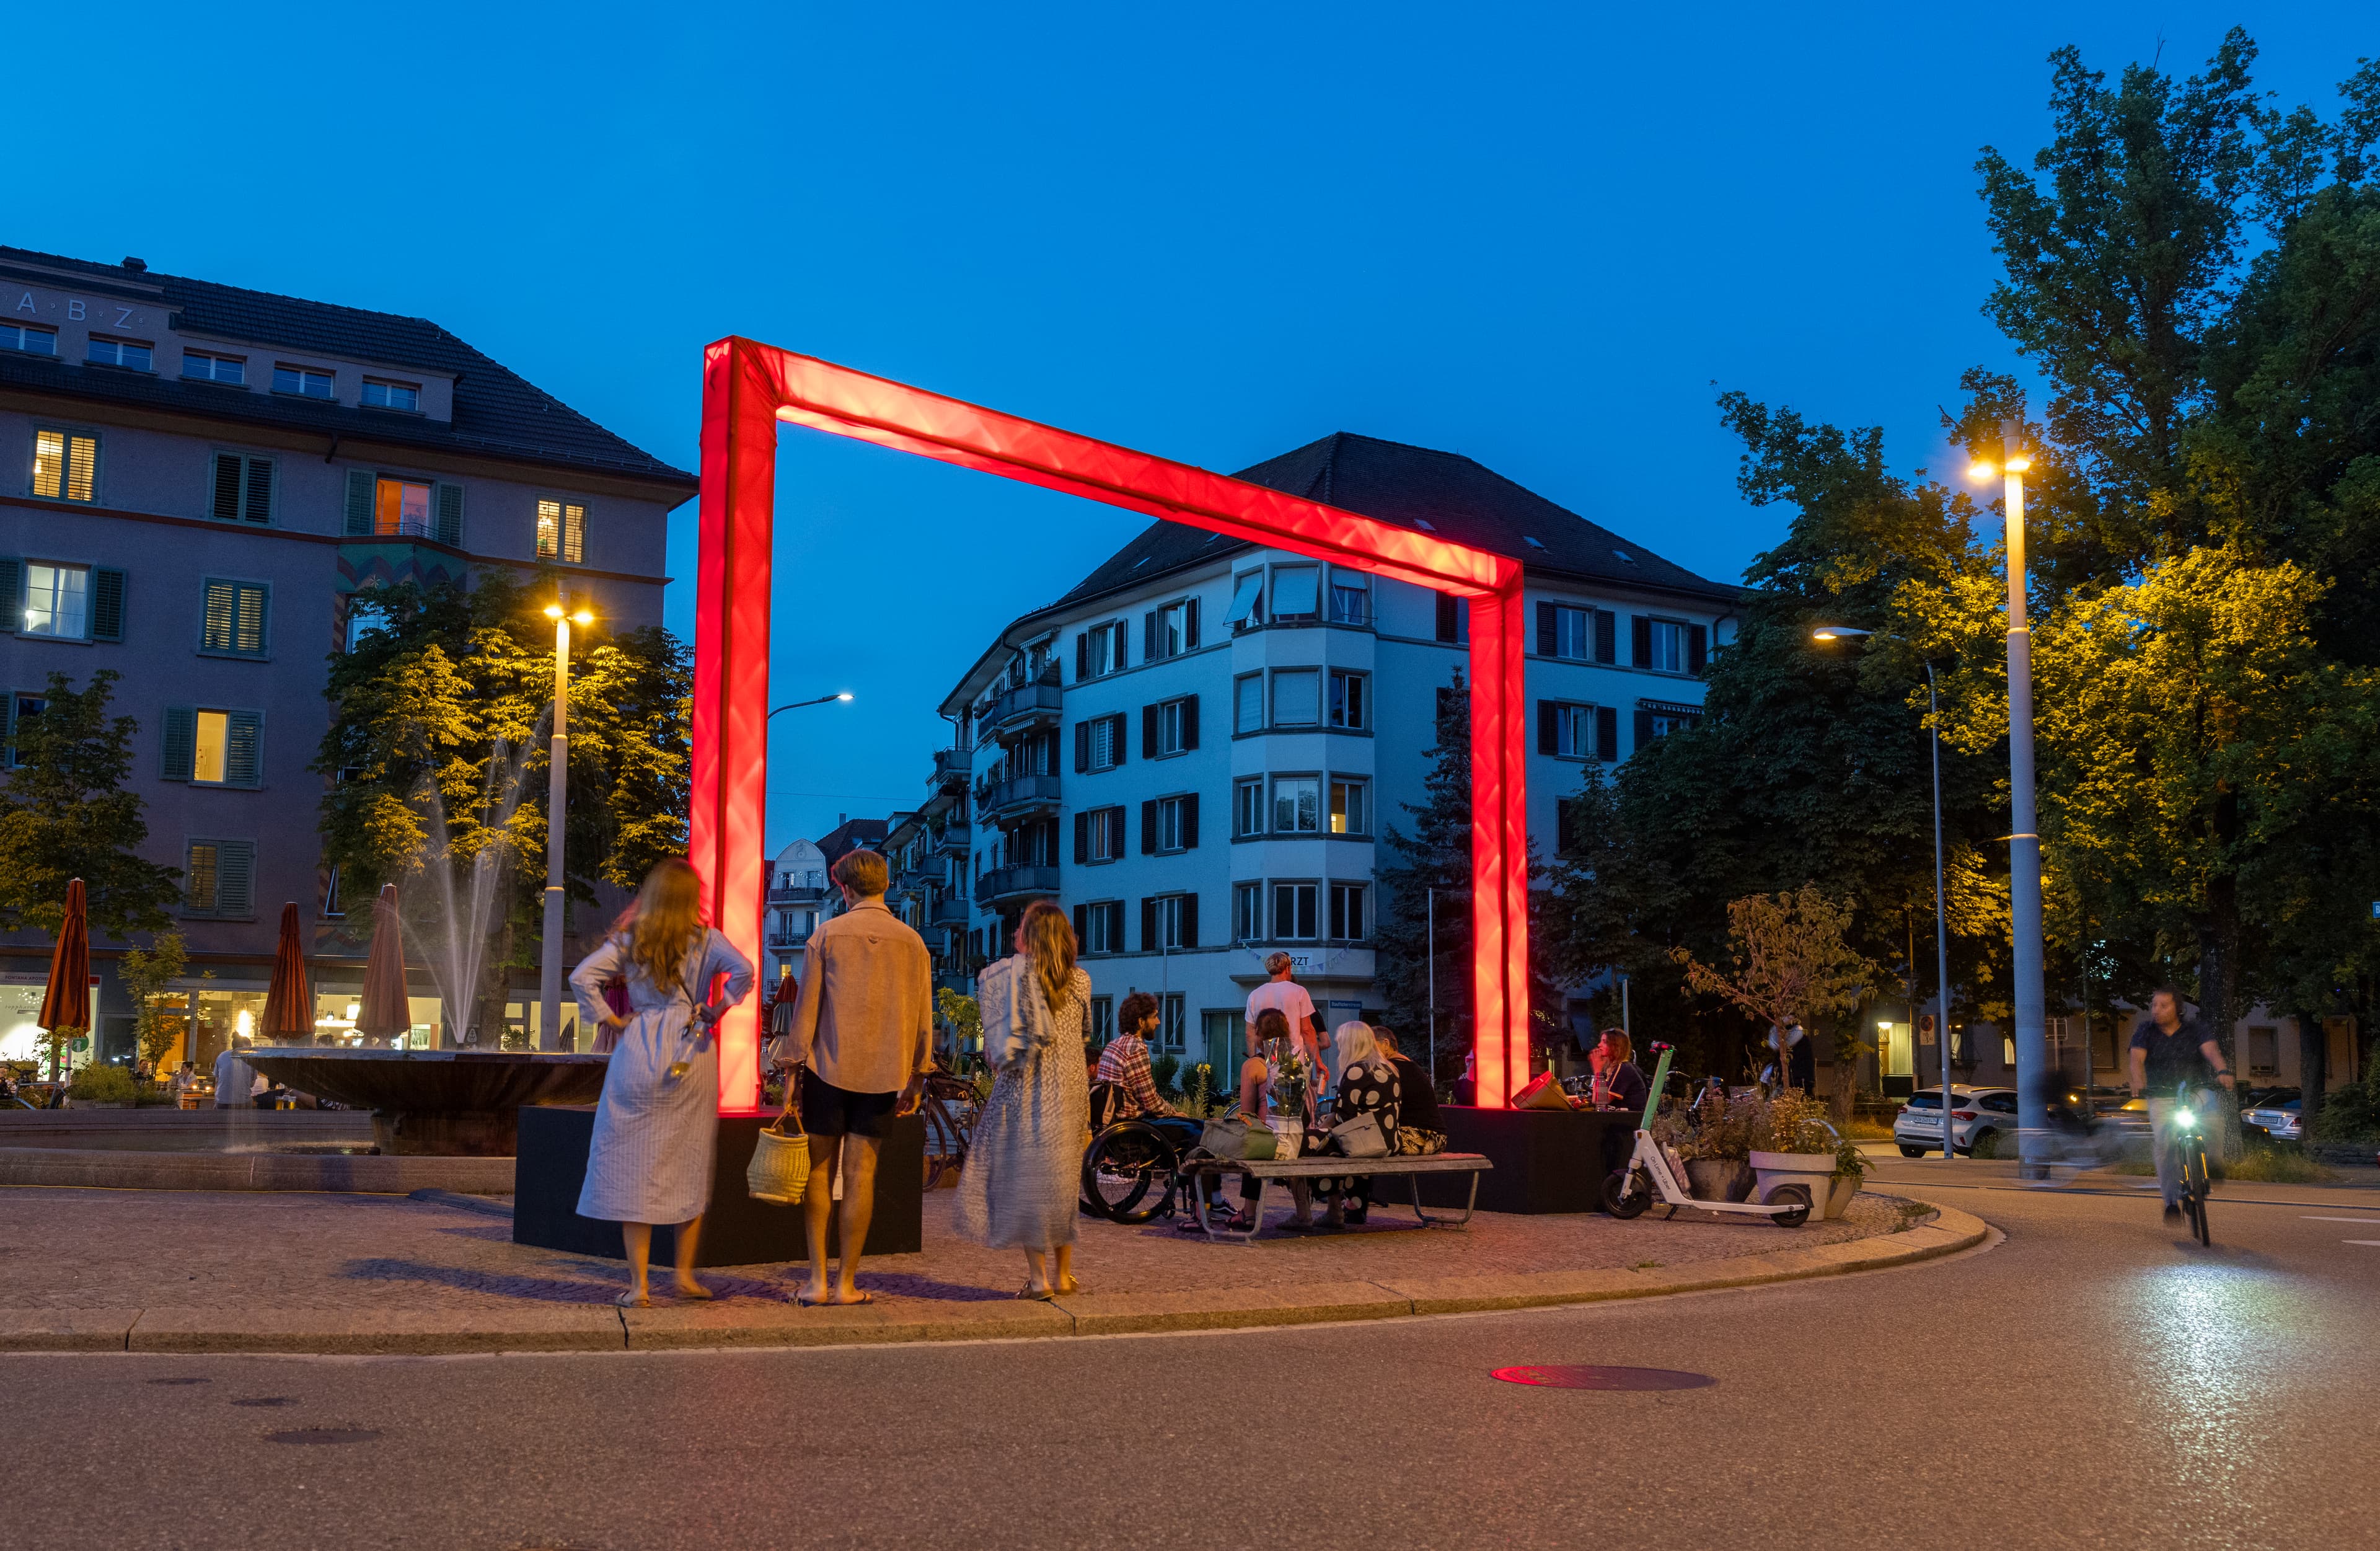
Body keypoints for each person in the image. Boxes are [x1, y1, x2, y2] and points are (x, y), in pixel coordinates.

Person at [571, 857, 756, 1308]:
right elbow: (746, 972)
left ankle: (639, 1285)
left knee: (636, 1166)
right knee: (688, 1160)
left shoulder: (632, 939)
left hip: (638, 1045)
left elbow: (582, 977)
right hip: (690, 1048)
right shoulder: (707, 940)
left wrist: (614, 1019)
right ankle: (685, 1276)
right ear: (693, 898)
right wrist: (719, 1008)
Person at [781, 848, 935, 1307]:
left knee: (819, 1174)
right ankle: (847, 1282)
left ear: (845, 889)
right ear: (885, 885)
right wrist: (919, 1074)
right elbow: (924, 1017)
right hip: (884, 1071)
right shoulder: (912, 942)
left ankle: (817, 1281)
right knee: (862, 1175)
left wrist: (791, 1067)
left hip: (828, 1066)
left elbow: (806, 1011)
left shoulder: (827, 935)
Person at [957, 901, 1093, 1298]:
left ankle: (1039, 1280)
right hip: (1068, 1089)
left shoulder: (1009, 979)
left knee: (1028, 1184)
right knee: (1063, 1184)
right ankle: (1064, 1276)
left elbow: (997, 1050)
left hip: (1024, 1088)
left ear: (1031, 935)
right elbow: (1083, 1033)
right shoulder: (1081, 980)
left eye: (1021, 927)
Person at [2128, 986, 2234, 1226]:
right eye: (2154, 1005)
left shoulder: (2195, 1029)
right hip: (2161, 1095)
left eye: (2164, 1005)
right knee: (2165, 1145)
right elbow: (2136, 1059)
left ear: (2178, 1008)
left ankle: (2215, 1162)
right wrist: (2138, 1082)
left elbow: (2212, 1052)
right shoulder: (2146, 1031)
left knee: (2214, 1120)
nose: (2157, 1010)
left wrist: (2223, 1071)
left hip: (2195, 1090)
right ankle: (2170, 1202)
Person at [1310, 1020, 1400, 1229]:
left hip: (1365, 1140)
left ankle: (1330, 1209)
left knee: (1314, 1145)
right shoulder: (1390, 1069)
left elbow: (1343, 1116)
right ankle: (1354, 1206)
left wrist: (1320, 1127)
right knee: (1342, 1146)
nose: (1340, 1048)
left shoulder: (1357, 1070)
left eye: (1341, 1043)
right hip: (1388, 1139)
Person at [1094, 991, 1175, 1123]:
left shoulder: (1112, 1045)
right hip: (1132, 1125)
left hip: (1110, 1121)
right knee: (1192, 1130)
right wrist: (1174, 1112)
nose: (1158, 1022)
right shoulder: (1136, 1049)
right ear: (1141, 1022)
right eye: (1154, 1017)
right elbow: (1151, 1101)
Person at [1244, 952, 1324, 1076]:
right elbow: (1308, 1030)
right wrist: (1318, 1061)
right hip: (1293, 1062)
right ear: (1288, 969)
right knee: (1292, 1094)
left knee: (1265, 1095)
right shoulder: (1299, 992)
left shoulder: (1254, 995)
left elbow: (1250, 1034)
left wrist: (1253, 1061)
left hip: (1264, 1063)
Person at [1373, 1027, 1442, 1136]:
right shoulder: (1408, 1066)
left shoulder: (1391, 1070)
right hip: (1433, 1134)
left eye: (1370, 1046)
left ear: (1386, 1044)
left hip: (1421, 1135)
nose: (1366, 1052)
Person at [1589, 1028, 1649, 1114]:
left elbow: (1601, 1101)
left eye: (1605, 1042)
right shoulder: (1614, 1068)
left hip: (1629, 1122)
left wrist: (1598, 1071)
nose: (1599, 1045)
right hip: (1620, 1119)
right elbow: (1596, 1100)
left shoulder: (1624, 1068)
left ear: (1616, 1046)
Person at [212, 1038, 263, 1110]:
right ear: (247, 1046)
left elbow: (217, 1080)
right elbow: (252, 1084)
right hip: (242, 1102)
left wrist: (216, 1100)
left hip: (221, 1101)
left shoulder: (222, 1056)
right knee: (251, 1101)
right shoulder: (251, 1058)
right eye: (250, 1046)